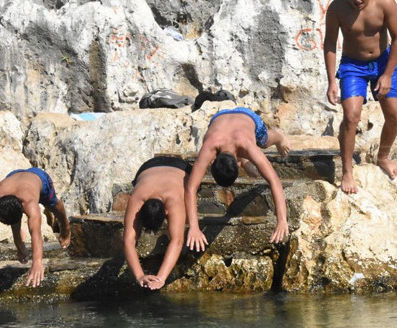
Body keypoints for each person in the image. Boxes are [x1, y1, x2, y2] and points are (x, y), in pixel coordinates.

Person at [323, 0, 397, 194]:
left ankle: (384, 157)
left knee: (394, 115)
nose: (357, 0)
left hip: (382, 62)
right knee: (351, 116)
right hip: (352, 66)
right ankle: (348, 171)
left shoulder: (385, 3)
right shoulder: (337, 9)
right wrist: (331, 81)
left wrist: (387, 74)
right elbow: (329, 44)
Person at [185, 107, 290, 252]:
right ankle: (246, 162)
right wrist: (194, 227)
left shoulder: (247, 146)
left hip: (247, 116)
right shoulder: (209, 147)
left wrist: (282, 220)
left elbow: (274, 181)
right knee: (208, 142)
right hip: (218, 117)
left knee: (263, 142)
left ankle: (278, 135)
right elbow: (190, 189)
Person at [0, 168, 72, 287]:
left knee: (54, 206)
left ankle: (66, 227)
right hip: (13, 175)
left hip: (39, 178)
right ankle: (19, 244)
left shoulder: (30, 203)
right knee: (12, 212)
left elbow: (36, 233)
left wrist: (37, 262)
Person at [123, 156, 191, 289]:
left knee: (185, 217)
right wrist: (139, 276)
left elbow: (177, 241)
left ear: (167, 212)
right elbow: (128, 241)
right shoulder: (136, 199)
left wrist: (161, 278)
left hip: (181, 167)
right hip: (148, 166)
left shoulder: (173, 200)